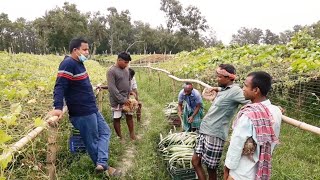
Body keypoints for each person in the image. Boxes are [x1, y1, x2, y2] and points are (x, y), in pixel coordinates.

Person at [48, 37, 121, 176]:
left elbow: (77, 84)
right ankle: (105, 168)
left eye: (88, 49)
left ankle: (102, 163)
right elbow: (59, 86)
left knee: (105, 131)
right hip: (81, 111)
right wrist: (58, 107)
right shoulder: (68, 64)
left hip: (91, 108)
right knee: (92, 141)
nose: (87, 52)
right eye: (85, 49)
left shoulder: (78, 63)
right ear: (75, 50)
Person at [192, 64, 250, 180]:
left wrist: (273, 107)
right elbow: (224, 90)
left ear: (229, 78)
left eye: (219, 77)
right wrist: (216, 88)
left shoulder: (236, 91)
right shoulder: (224, 89)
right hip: (205, 130)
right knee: (195, 161)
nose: (217, 79)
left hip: (215, 133)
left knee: (211, 168)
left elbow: (253, 100)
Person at [224, 71, 282, 180]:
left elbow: (236, 146)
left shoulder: (248, 115)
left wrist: (227, 169)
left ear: (256, 90)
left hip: (241, 173)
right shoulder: (276, 111)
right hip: (261, 170)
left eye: (246, 85)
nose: (243, 88)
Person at [107, 52, 136, 141]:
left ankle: (132, 136)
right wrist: (122, 100)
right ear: (119, 60)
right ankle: (120, 138)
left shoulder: (126, 70)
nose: (127, 64)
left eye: (128, 63)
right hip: (116, 100)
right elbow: (112, 88)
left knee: (129, 116)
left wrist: (130, 92)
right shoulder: (111, 71)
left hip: (126, 98)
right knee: (117, 118)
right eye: (125, 62)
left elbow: (128, 82)